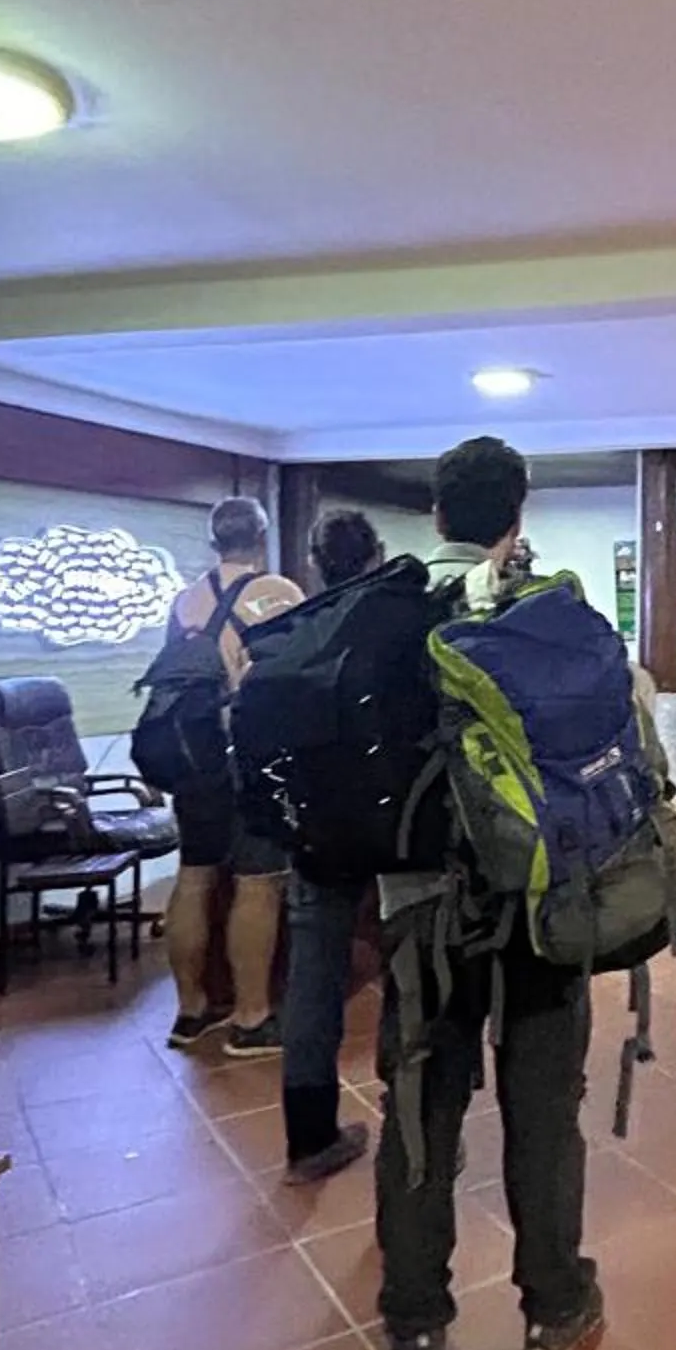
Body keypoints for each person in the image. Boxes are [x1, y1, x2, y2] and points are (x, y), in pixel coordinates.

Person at [375, 437, 600, 1350]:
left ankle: (418, 1326)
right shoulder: (550, 610)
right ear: (520, 513)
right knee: (543, 1107)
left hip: (421, 906)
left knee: (421, 1107)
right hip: (540, 900)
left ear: (435, 515)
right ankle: (553, 1312)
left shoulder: (386, 617)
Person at [164, 497, 303, 1058]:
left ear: (213, 540)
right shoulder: (280, 594)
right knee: (257, 883)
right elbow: (294, 679)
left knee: (194, 877)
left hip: (193, 756)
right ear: (261, 538)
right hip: (250, 753)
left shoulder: (185, 598)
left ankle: (191, 1011)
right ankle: (251, 1018)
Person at [278, 506, 388, 1185]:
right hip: (394, 826)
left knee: (312, 981)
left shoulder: (290, 634)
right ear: (375, 558)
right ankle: (411, 1124)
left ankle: (309, 1137)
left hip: (314, 829)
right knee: (408, 968)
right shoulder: (396, 625)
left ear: (316, 565)